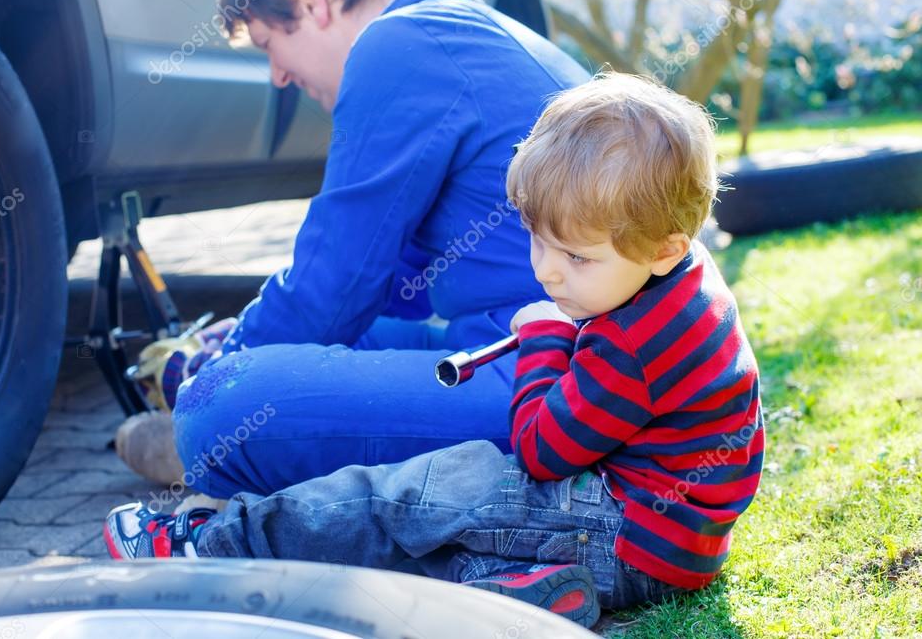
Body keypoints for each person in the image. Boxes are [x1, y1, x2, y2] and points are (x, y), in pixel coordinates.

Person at [105, 73, 765, 628]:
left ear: (664, 248)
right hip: (674, 546)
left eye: (576, 257)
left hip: (625, 533)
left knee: (424, 492)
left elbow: (541, 452)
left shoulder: (632, 343)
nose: (546, 271)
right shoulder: (682, 278)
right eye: (537, 240)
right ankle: (515, 589)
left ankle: (214, 548)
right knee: (442, 530)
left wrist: (545, 340)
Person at [114, 0, 592, 496]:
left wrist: (215, 368)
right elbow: (388, 284)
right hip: (548, 349)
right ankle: (249, 437)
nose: (278, 76)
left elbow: (332, 286)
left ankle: (215, 444)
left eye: (269, 44)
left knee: (217, 407)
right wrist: (244, 332)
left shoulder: (397, 46)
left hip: (554, 384)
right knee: (335, 339)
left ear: (309, 1)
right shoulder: (449, 26)